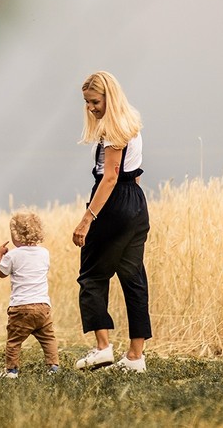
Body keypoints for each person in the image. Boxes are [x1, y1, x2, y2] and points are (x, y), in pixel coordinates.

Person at [71, 70, 151, 373]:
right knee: (134, 280)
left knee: (92, 275)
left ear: (108, 96)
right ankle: (135, 357)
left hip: (113, 203)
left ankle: (103, 348)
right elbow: (136, 174)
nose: (90, 108)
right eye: (87, 103)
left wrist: (86, 219)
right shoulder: (133, 123)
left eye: (94, 102)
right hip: (136, 205)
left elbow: (110, 177)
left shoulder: (113, 128)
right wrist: (134, 213)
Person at [0, 211, 60, 378]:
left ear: (16, 236)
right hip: (43, 307)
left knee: (14, 341)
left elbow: (2, 272)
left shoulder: (13, 255)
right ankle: (53, 368)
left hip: (21, 308)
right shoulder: (44, 253)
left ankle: (11, 370)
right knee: (49, 339)